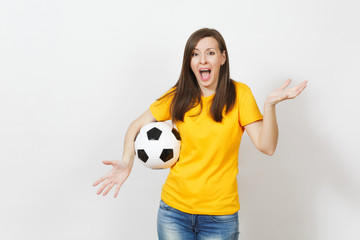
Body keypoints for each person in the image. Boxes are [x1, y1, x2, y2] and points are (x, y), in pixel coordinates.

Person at [93, 28, 307, 240]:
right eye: (195, 54)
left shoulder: (240, 95)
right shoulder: (179, 96)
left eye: (210, 53)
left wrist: (269, 106)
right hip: (173, 212)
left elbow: (267, 146)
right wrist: (126, 161)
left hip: (220, 218)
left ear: (223, 57)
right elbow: (135, 126)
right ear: (189, 61)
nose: (202, 60)